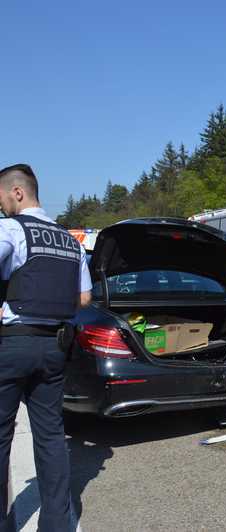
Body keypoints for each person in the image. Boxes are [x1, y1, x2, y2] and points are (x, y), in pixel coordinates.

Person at [0, 164, 92, 531]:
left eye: (2, 198)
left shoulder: (11, 228)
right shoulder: (71, 241)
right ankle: (56, 525)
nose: (2, 206)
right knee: (51, 436)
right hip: (55, 349)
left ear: (17, 192)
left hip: (12, 346)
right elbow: (84, 297)